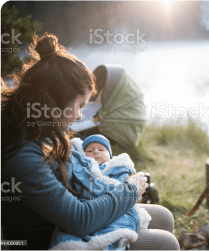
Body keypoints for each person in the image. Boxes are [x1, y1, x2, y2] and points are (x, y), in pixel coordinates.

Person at [1, 33, 180, 251]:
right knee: (166, 243)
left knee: (163, 216)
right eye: (79, 105)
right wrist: (129, 190)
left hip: (64, 225)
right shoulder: (22, 155)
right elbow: (79, 219)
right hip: (50, 240)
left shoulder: (39, 127)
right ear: (55, 102)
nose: (79, 116)